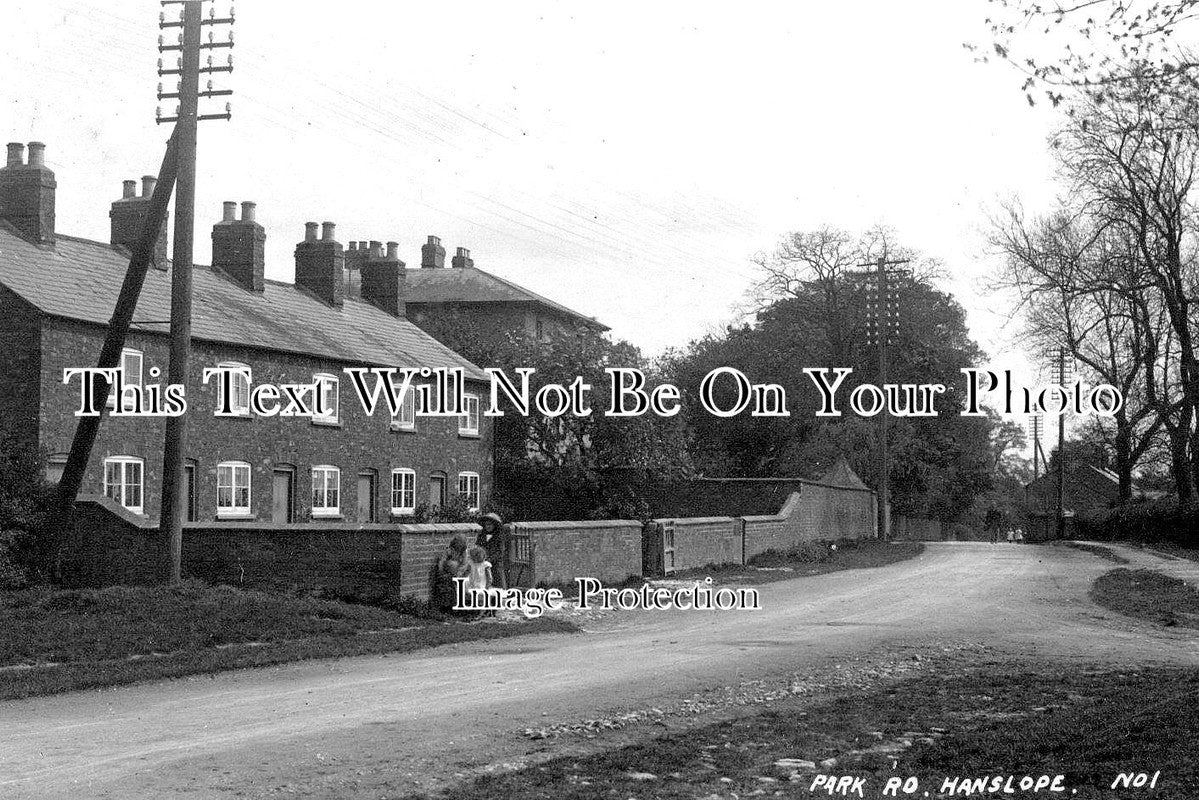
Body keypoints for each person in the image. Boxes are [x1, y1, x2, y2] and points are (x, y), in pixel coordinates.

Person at [431, 534, 468, 615]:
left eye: (461, 543)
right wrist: (441, 572)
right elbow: (442, 561)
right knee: (452, 563)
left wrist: (459, 572)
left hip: (459, 573)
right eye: (458, 542)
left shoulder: (464, 552)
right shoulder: (449, 550)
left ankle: (460, 607)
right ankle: (449, 607)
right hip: (448, 572)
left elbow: (464, 564)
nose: (459, 545)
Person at [476, 512, 510, 589]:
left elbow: (500, 551)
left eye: (490, 524)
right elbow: (478, 546)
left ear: (494, 525)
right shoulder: (481, 535)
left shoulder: (499, 535)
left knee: (498, 582)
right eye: (486, 524)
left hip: (496, 564)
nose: (488, 526)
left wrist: (490, 559)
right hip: (483, 563)